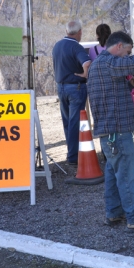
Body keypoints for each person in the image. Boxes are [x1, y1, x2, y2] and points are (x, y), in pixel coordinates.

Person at [87, 31, 134, 233]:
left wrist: (131, 83)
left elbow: (113, 90)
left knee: (114, 173)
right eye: (127, 51)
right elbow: (126, 64)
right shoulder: (109, 61)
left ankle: (114, 212)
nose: (128, 56)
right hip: (117, 131)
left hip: (110, 131)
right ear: (119, 46)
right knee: (128, 174)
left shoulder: (101, 64)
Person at [52, 19, 91, 165]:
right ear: (79, 32)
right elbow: (87, 63)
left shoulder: (57, 45)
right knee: (76, 123)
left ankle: (71, 153)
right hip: (75, 87)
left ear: (66, 31)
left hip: (61, 87)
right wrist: (84, 74)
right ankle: (74, 157)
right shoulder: (76, 47)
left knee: (68, 122)